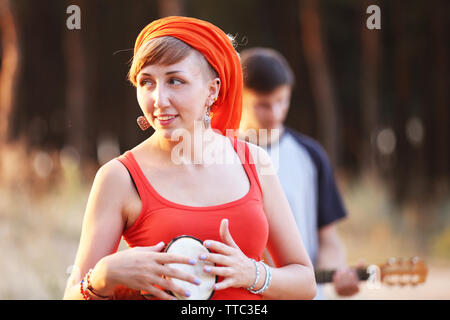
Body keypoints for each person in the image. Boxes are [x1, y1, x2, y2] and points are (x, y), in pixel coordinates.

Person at [63, 16, 316, 300]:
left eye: (175, 80)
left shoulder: (254, 162)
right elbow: (72, 295)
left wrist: (252, 273)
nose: (158, 99)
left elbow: (305, 283)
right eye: (146, 82)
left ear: (212, 91)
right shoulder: (119, 177)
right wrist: (103, 277)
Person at [239, 47, 360, 299]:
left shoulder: (311, 155)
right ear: (238, 98)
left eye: (281, 101)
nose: (275, 113)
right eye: (262, 105)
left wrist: (335, 273)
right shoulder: (217, 155)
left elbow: (328, 239)